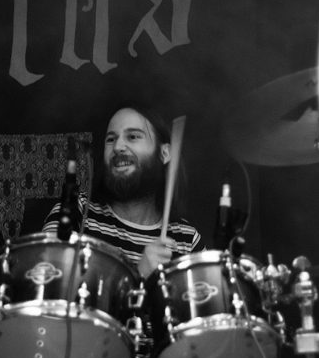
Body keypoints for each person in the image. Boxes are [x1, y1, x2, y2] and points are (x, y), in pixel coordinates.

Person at [42, 102, 203, 277]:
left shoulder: (186, 239)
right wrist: (139, 276)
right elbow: (48, 287)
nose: (118, 147)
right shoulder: (75, 211)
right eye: (111, 139)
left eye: (133, 137)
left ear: (164, 153)